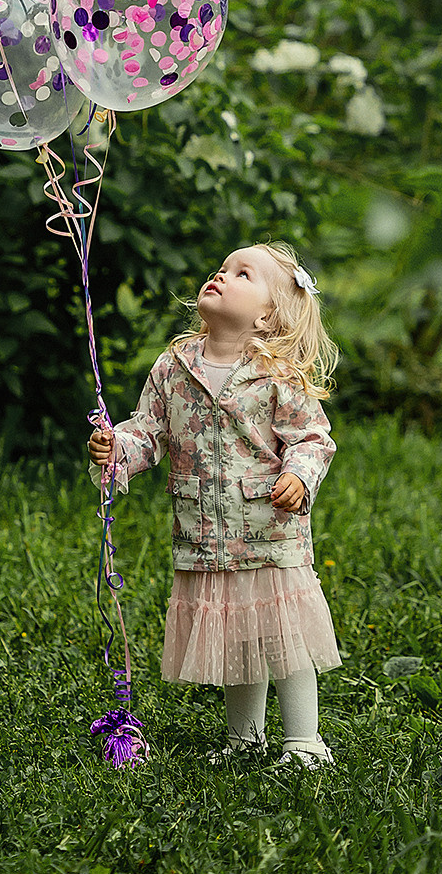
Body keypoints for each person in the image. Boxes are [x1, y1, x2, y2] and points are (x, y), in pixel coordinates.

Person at [87, 240, 341, 766]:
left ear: (269, 314)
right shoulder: (174, 366)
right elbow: (150, 432)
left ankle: (304, 740)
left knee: (284, 637)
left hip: (269, 532)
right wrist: (118, 449)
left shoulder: (276, 374)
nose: (221, 276)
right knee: (238, 639)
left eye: (243, 274)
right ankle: (244, 739)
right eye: (222, 268)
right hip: (205, 532)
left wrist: (299, 475)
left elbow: (313, 438)